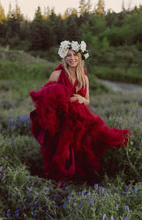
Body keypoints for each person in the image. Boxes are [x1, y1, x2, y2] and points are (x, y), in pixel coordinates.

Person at [30, 40, 132, 184]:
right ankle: (58, 184)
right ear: (64, 58)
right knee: (62, 151)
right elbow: (45, 96)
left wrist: (80, 98)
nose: (72, 58)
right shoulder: (57, 74)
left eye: (75, 55)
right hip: (62, 120)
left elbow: (88, 100)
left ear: (80, 57)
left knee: (79, 151)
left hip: (79, 120)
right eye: (69, 55)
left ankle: (76, 183)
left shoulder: (84, 78)